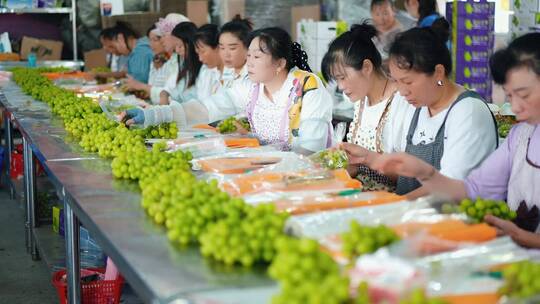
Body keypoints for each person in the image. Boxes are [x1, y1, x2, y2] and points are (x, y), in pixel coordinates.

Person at [369, 33, 540, 248]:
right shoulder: (521, 136)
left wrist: (528, 239)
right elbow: (471, 191)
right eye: (509, 96)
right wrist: (425, 173)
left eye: (523, 95)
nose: (515, 107)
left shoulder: (467, 110)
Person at [341, 23, 498, 196]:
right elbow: (405, 174)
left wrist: (396, 205)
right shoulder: (419, 108)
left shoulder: (468, 111)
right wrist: (366, 158)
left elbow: (453, 189)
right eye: (397, 81)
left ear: (438, 72)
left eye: (408, 82)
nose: (402, 91)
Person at [122, 27, 333, 153]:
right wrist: (153, 115)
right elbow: (205, 109)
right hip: (267, 172)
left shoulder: (307, 88)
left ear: (280, 64)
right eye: (248, 56)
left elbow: (311, 152)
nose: (249, 62)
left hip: (304, 182)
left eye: (257, 57)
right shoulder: (252, 88)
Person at [322, 23, 410, 191]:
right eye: (337, 80)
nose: (340, 87)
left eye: (342, 77)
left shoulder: (402, 102)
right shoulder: (361, 101)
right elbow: (357, 168)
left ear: (367, 67)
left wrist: (366, 159)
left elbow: (409, 176)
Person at [124, 14, 190, 103]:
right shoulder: (168, 59)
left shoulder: (183, 61)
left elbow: (172, 95)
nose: (162, 40)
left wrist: (143, 87)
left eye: (164, 35)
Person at [159, 22, 203, 105]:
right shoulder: (183, 63)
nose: (177, 51)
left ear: (191, 44)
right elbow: (171, 87)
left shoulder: (204, 67)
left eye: (180, 46)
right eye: (175, 46)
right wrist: (164, 93)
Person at [123, 25, 169, 99]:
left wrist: (140, 86)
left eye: (155, 40)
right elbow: (154, 88)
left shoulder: (172, 62)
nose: (151, 44)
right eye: (150, 40)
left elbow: (168, 94)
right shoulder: (156, 59)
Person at [218, 15, 252, 88]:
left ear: (247, 48)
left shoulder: (253, 77)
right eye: (222, 48)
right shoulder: (228, 70)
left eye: (232, 48)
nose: (226, 54)